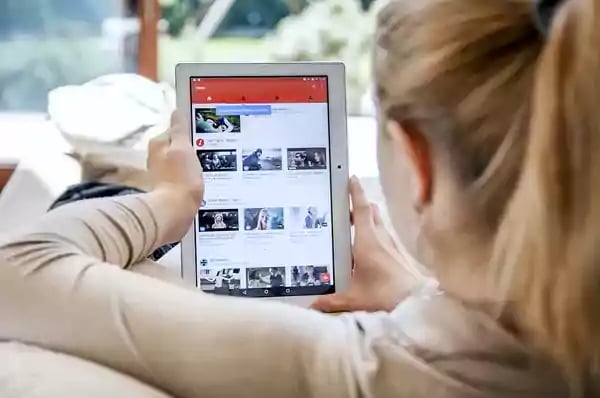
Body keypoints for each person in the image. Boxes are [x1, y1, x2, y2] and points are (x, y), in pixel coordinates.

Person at [0, 0, 595, 396]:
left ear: (416, 164)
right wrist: (418, 291)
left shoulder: (367, 371)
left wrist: (171, 199)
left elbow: (15, 275)